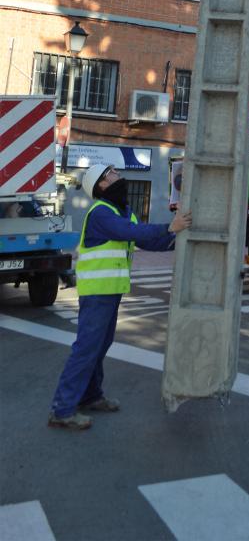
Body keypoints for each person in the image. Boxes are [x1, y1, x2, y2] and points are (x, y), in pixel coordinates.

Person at [48, 162, 191, 430]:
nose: (119, 175)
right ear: (102, 184)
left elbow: (145, 240)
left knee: (99, 347)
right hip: (97, 293)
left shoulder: (121, 211)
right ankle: (62, 409)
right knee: (86, 349)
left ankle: (90, 396)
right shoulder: (101, 213)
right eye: (112, 173)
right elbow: (132, 233)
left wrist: (177, 237)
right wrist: (170, 227)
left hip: (111, 291)